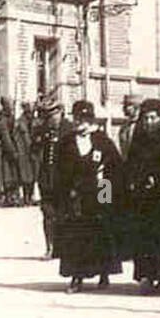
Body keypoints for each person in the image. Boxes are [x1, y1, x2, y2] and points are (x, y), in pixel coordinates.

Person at [54, 100, 124, 292]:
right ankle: (77, 277)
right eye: (77, 119)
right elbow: (59, 171)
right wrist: (65, 193)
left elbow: (115, 168)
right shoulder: (66, 142)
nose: (79, 123)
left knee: (101, 230)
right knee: (76, 235)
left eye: (84, 119)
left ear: (90, 120)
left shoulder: (102, 140)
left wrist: (106, 197)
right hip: (76, 195)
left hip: (100, 191)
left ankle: (104, 273)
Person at [124, 98, 160, 291]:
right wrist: (136, 181)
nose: (149, 122)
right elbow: (130, 165)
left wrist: (158, 178)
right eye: (146, 118)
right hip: (143, 199)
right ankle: (146, 276)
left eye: (153, 118)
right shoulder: (138, 142)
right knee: (144, 238)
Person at [32, 98, 72, 259]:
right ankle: (50, 247)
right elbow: (33, 150)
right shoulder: (43, 130)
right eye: (47, 117)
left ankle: (65, 248)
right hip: (46, 178)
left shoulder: (69, 129)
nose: (50, 120)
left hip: (64, 178)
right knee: (47, 213)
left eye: (52, 116)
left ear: (60, 112)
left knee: (65, 214)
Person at [0, 96, 33, 206]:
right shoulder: (3, 120)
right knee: (8, 176)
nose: (12, 106)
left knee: (14, 175)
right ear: (5, 105)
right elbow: (6, 137)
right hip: (8, 152)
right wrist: (12, 151)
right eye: (10, 104)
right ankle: (9, 198)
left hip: (15, 150)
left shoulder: (11, 117)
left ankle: (14, 197)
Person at [119, 93, 141, 160]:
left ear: (136, 107)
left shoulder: (143, 125)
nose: (123, 109)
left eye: (127, 106)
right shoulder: (124, 127)